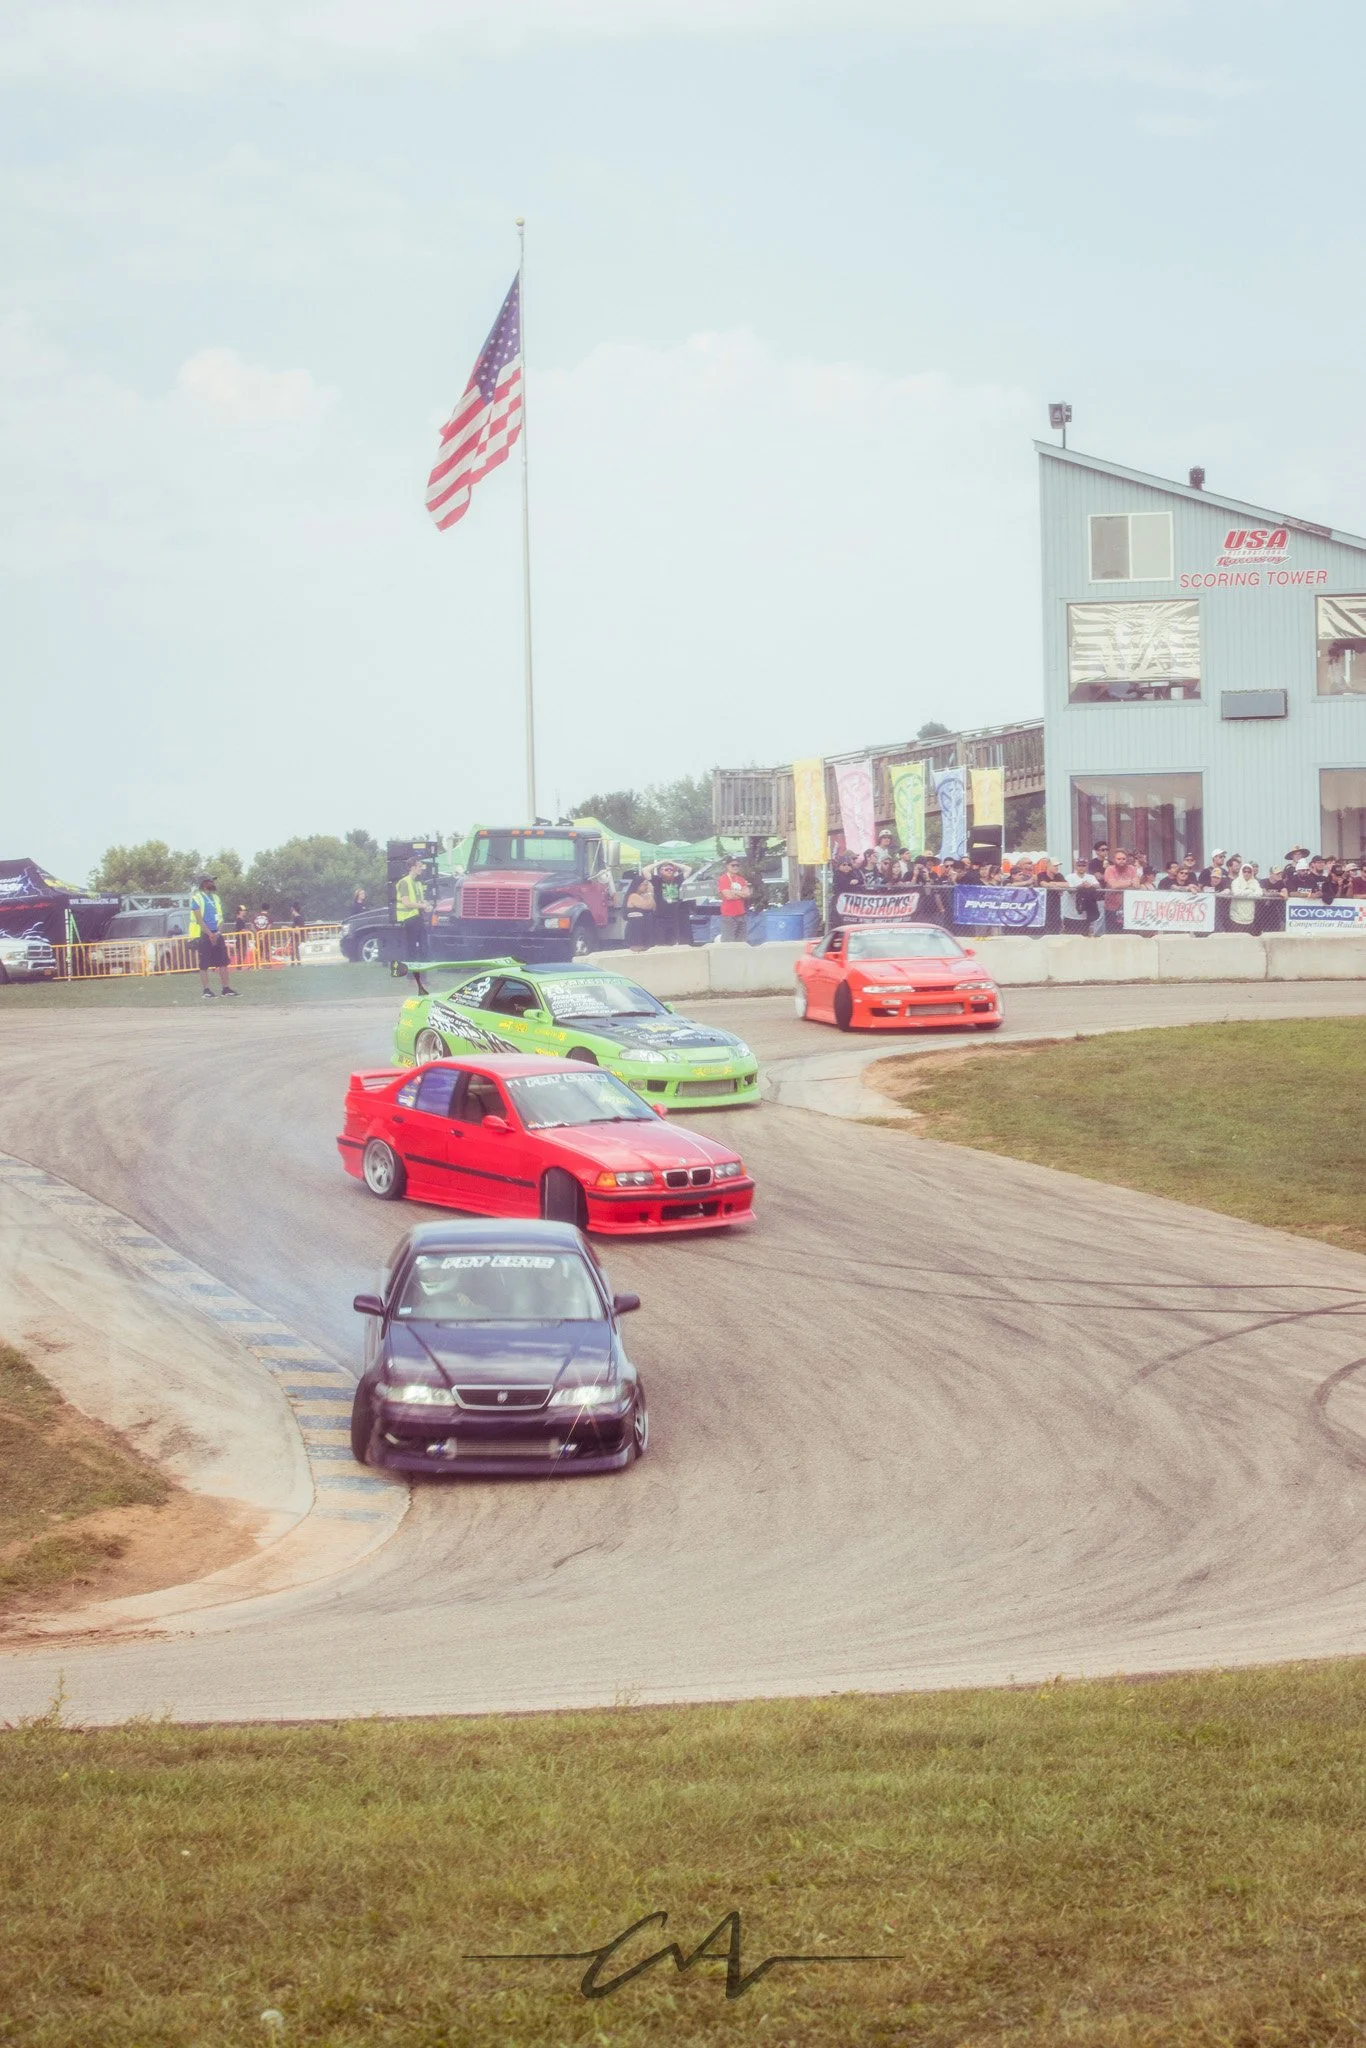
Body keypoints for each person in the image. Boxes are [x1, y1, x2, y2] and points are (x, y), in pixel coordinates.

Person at [189, 873, 236, 998]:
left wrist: (218, 932)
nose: (213, 883)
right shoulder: (197, 898)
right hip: (204, 934)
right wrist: (210, 934)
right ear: (204, 883)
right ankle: (206, 990)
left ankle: (226, 989)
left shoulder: (216, 898)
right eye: (210, 881)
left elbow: (220, 917)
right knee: (204, 964)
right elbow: (199, 920)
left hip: (217, 933)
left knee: (223, 962)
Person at [395, 858, 427, 959]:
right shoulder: (404, 882)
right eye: (419, 866)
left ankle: (422, 964)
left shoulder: (418, 883)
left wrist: (427, 905)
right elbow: (406, 903)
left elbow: (420, 900)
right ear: (412, 868)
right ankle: (411, 965)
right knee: (412, 945)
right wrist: (422, 906)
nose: (421, 868)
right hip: (408, 917)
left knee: (423, 943)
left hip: (418, 916)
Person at [651, 860, 687, 946]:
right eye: (666, 869)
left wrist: (672, 863)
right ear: (661, 871)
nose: (669, 871)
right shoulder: (657, 881)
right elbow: (645, 870)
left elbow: (688, 869)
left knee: (672, 943)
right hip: (660, 918)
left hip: (674, 918)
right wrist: (661, 862)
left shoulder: (677, 880)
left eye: (671, 869)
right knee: (660, 944)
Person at [717, 856, 752, 941]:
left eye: (737, 865)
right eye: (733, 865)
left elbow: (747, 894)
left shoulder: (741, 879)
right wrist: (741, 893)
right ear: (727, 866)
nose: (735, 867)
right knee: (728, 942)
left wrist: (734, 892)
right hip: (729, 915)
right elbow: (728, 896)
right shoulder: (723, 879)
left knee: (741, 941)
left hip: (741, 913)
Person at [624, 871, 655, 949]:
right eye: (645, 885)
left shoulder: (643, 896)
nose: (647, 887)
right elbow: (648, 906)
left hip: (644, 926)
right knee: (638, 948)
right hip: (636, 927)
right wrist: (650, 894)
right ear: (637, 885)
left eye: (647, 885)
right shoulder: (633, 896)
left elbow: (654, 907)